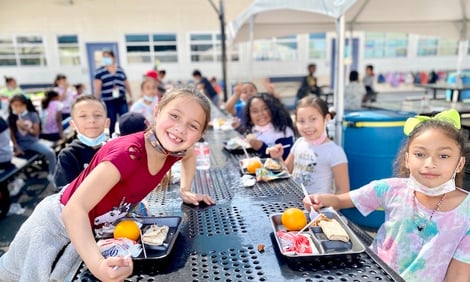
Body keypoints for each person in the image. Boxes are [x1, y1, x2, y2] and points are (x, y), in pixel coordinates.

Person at [0, 88, 215, 281]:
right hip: (55, 226)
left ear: (199, 134)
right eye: (174, 116)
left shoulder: (171, 151)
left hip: (86, 228)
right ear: (157, 112)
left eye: (192, 126)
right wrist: (99, 266)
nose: (180, 129)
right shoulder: (128, 154)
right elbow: (74, 210)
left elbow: (189, 156)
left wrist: (185, 189)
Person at [303, 109, 470, 281]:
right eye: (420, 154)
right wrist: (323, 199)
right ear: (407, 159)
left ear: (459, 163)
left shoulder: (467, 213)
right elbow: (341, 200)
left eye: (444, 156)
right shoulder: (391, 189)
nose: (430, 164)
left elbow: (459, 275)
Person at [269, 96, 349, 194]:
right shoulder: (299, 143)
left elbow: (343, 191)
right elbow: (287, 171)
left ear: (327, 119)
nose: (307, 126)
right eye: (301, 121)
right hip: (294, 203)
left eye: (313, 119)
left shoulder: (335, 152)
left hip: (319, 208)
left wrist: (325, 206)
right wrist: (278, 158)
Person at [53, 95, 110, 188]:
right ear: (73, 124)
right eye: (83, 116)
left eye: (98, 115)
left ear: (107, 122)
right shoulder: (68, 155)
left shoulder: (114, 150)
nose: (91, 120)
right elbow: (66, 194)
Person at [7, 94, 56, 183]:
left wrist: (24, 127)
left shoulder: (32, 115)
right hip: (20, 145)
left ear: (25, 105)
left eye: (20, 105)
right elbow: (12, 135)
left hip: (32, 142)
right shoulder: (11, 117)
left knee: (50, 153)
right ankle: (17, 183)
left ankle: (53, 174)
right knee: (8, 161)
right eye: (14, 106)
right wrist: (16, 146)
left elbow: (36, 133)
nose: (17, 108)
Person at [242, 93, 295, 159]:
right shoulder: (252, 130)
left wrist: (261, 147)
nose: (260, 114)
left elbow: (285, 160)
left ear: (273, 109)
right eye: (255, 111)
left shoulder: (284, 132)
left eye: (265, 108)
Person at [93, 49, 133, 136]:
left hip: (121, 99)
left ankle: (127, 137)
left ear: (113, 58)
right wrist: (96, 101)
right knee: (111, 120)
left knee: (125, 119)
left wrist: (131, 96)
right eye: (104, 57)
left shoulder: (120, 69)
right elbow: (97, 88)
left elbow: (126, 83)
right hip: (109, 101)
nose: (106, 59)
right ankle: (111, 138)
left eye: (108, 56)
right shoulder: (100, 72)